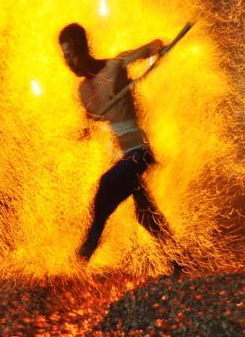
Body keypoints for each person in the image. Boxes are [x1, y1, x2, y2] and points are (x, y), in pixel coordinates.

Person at [58, 23, 176, 262]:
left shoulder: (114, 67)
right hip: (124, 155)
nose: (69, 63)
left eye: (72, 55)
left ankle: (86, 251)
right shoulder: (83, 89)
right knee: (145, 213)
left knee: (106, 185)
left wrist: (156, 48)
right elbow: (92, 117)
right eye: (65, 57)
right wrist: (84, 130)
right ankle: (180, 260)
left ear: (84, 49)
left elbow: (149, 48)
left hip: (138, 150)